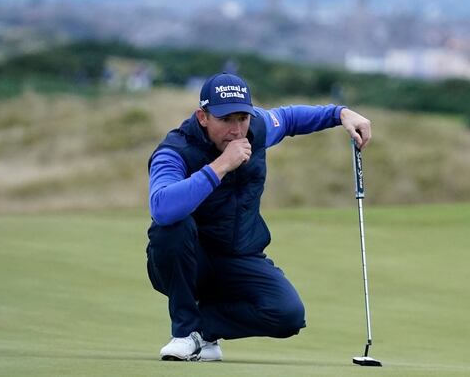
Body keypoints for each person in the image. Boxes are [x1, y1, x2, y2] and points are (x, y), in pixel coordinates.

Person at [145, 72, 371, 361]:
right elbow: (162, 208)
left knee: (287, 314)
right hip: (188, 262)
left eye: (242, 118)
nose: (236, 129)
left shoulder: (257, 130)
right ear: (203, 117)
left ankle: (201, 334)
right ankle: (184, 332)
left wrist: (340, 114)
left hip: (238, 256)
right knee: (172, 227)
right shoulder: (176, 150)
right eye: (226, 119)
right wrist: (221, 166)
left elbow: (289, 119)